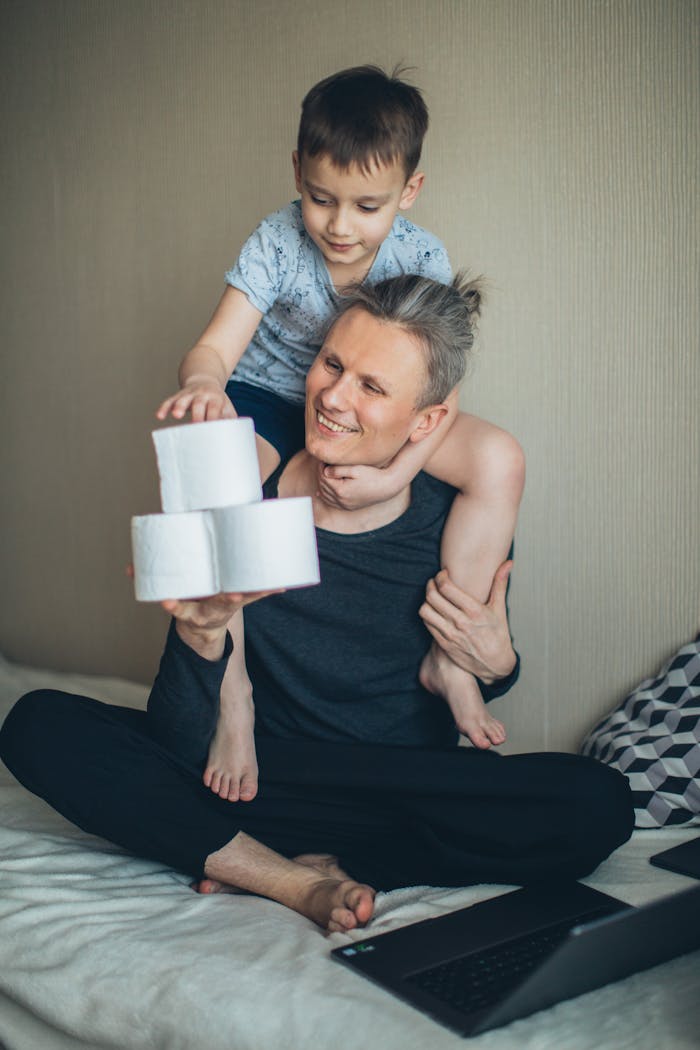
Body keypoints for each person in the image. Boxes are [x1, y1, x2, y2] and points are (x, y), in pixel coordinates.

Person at [0, 274, 633, 933]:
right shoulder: (245, 497)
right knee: (38, 725)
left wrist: (499, 667)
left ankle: (309, 859)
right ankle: (290, 880)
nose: (332, 397)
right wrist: (203, 639)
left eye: (372, 386)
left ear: (429, 421)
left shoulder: (456, 516)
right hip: (259, 780)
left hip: (403, 786)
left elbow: (465, 680)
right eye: (332, 364)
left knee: (599, 803)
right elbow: (180, 740)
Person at [155, 65, 525, 804]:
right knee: (206, 478)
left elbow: (440, 399)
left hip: (365, 413)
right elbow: (215, 346)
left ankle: (450, 658)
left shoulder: (421, 258)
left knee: (498, 458)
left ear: (409, 193)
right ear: (297, 172)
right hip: (266, 395)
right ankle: (234, 700)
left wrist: (396, 473)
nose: (340, 226)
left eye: (366, 205)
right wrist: (204, 385)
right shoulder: (275, 240)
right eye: (321, 199)